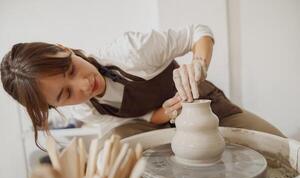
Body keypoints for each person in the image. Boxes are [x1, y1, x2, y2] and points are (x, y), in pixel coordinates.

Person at [0, 24, 285, 149]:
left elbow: (198, 32)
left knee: (283, 148)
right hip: (160, 129)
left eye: (71, 68)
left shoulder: (131, 50)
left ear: (64, 48)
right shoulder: (87, 111)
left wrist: (199, 63)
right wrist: (166, 113)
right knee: (108, 146)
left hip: (205, 107)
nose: (84, 84)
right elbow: (143, 120)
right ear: (56, 107)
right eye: (66, 94)